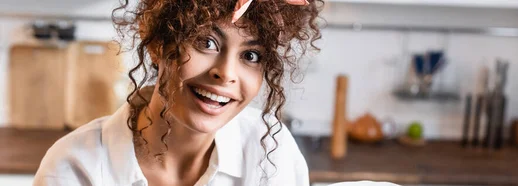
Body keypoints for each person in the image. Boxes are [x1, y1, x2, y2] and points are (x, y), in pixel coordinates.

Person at [33, 0, 322, 185]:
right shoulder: (75, 166)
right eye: (206, 42)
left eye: (251, 56)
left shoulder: (270, 151)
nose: (227, 74)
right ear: (158, 43)